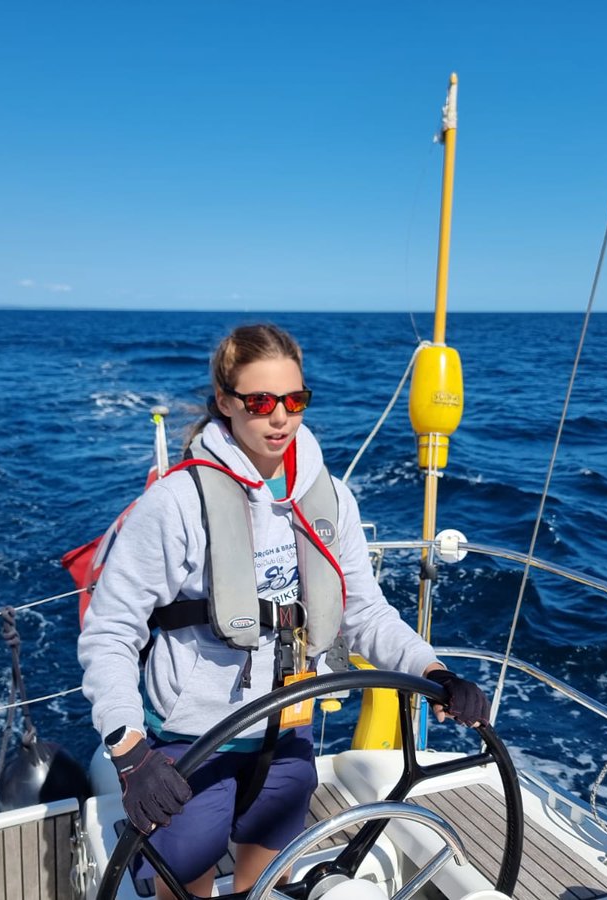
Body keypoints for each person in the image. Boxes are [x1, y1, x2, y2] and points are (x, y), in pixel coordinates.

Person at [77, 323, 489, 898]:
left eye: (294, 401)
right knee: (183, 888)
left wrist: (433, 671)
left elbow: (365, 612)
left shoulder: (332, 498)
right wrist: (128, 752)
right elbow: (110, 632)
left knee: (266, 886)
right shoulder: (175, 504)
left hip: (288, 736)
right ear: (225, 401)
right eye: (261, 401)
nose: (280, 418)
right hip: (193, 745)